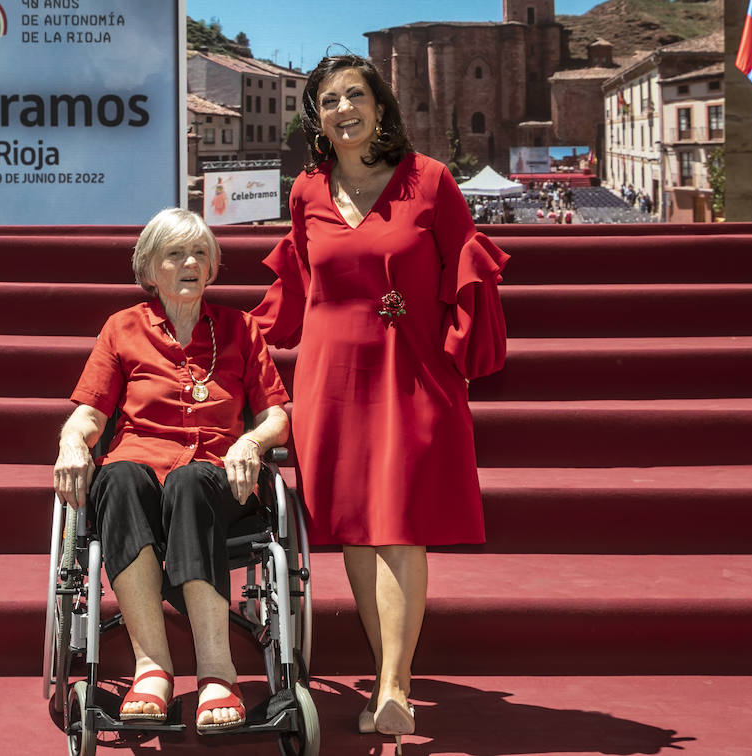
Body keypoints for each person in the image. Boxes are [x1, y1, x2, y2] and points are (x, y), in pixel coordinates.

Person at [252, 54, 509, 746]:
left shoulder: (431, 180)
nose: (343, 109)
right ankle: (383, 672)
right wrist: (243, 342)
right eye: (329, 99)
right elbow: (299, 285)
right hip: (329, 378)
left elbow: (467, 268)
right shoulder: (306, 189)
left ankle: (396, 684)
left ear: (380, 106)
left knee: (400, 523)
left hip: (409, 371)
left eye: (355, 95)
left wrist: (457, 351)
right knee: (357, 533)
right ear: (316, 117)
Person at [53, 208, 290, 734]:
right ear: (150, 269)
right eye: (176, 254)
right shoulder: (122, 328)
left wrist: (250, 440)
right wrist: (72, 440)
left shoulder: (240, 328)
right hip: (137, 476)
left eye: (201, 253)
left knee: (190, 480)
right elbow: (91, 411)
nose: (190, 263)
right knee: (117, 475)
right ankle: (151, 669)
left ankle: (216, 673)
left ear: (212, 267)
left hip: (219, 479)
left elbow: (276, 416)